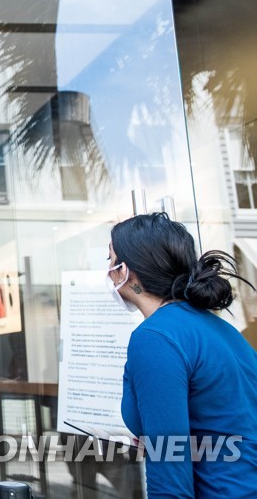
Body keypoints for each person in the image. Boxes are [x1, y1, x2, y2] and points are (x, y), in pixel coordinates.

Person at [109, 212, 257, 497]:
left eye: (110, 261)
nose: (109, 273)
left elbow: (169, 465)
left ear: (126, 270)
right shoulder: (219, 328)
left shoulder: (154, 338)